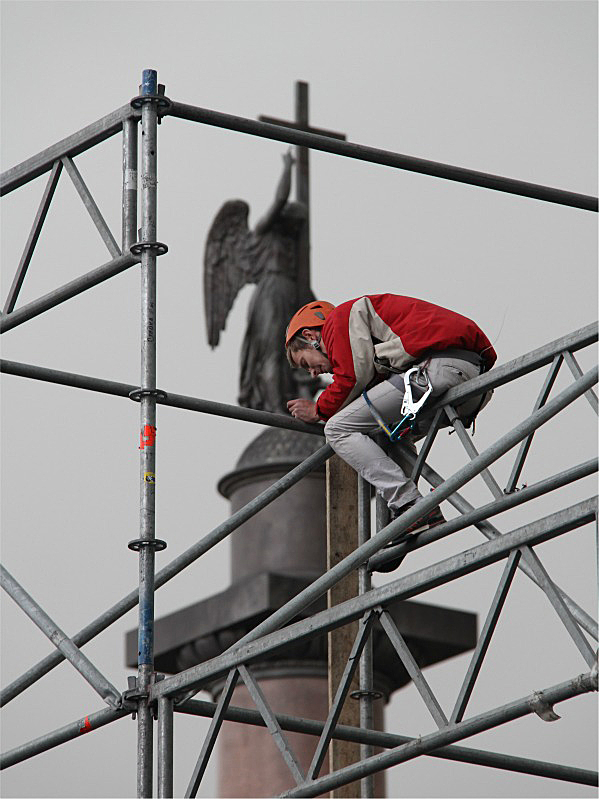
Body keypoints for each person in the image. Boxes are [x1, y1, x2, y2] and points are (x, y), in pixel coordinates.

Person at [285, 294, 496, 564]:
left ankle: (410, 505)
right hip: (470, 384)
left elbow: (352, 376)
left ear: (310, 335)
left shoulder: (340, 319)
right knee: (387, 434)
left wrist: (319, 409)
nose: (313, 373)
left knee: (337, 429)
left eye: (305, 363)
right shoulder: (373, 343)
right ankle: (407, 521)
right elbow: (367, 385)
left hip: (437, 368)